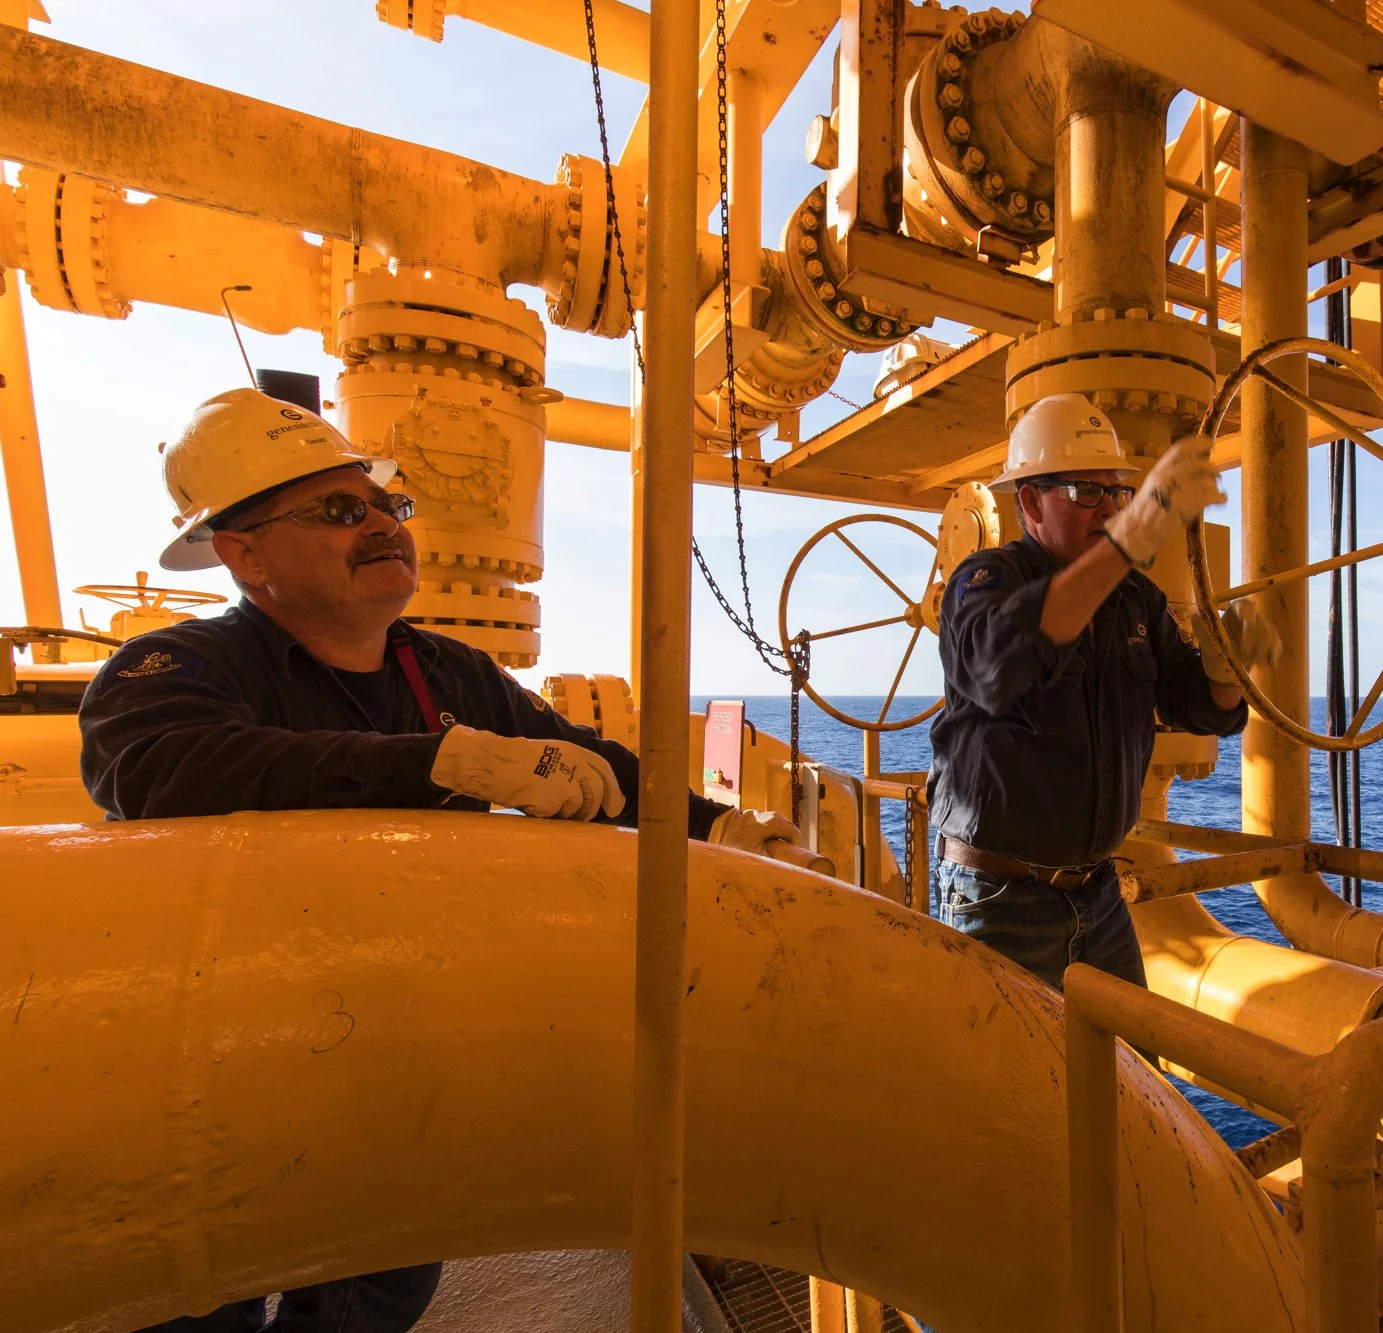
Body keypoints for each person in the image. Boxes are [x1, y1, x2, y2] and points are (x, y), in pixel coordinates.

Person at [80, 385, 805, 1332]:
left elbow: (600, 771)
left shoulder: (446, 672)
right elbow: (162, 770)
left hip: (384, 1041)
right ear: (242, 552)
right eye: (342, 511)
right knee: (198, 1296)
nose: (382, 524)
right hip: (216, 1061)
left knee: (375, 1281)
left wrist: (719, 828)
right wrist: (440, 760)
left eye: (389, 503)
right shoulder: (174, 669)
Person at [928, 393, 1280, 991]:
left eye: (1117, 493)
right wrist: (1133, 536)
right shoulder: (983, 582)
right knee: (1006, 1083)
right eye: (1086, 493)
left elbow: (1201, 708)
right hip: (998, 903)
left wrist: (1226, 670)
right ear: (1031, 502)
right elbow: (994, 666)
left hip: (1099, 895)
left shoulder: (1133, 600)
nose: (1110, 509)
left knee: (1134, 1075)